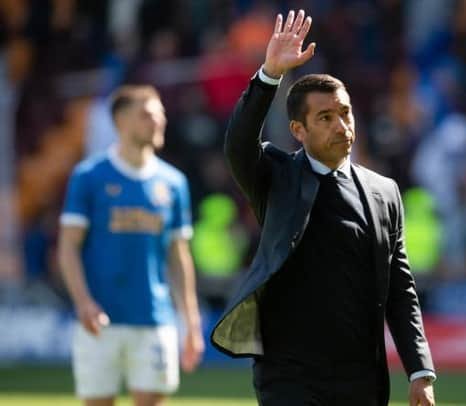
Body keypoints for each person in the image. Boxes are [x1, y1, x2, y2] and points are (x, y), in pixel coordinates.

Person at [210, 10, 436, 406]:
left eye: (345, 113)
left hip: (360, 374)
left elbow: (401, 289)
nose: (341, 126)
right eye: (325, 117)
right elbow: (238, 145)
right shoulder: (276, 176)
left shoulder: (384, 192)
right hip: (289, 371)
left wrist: (420, 370)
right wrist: (269, 76)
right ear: (298, 131)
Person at [58, 85, 204, 406]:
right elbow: (68, 247)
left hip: (154, 319)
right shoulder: (89, 176)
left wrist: (191, 323)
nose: (159, 122)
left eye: (161, 115)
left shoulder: (173, 183)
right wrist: (83, 302)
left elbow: (178, 256)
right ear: (121, 122)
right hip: (99, 320)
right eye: (148, 115)